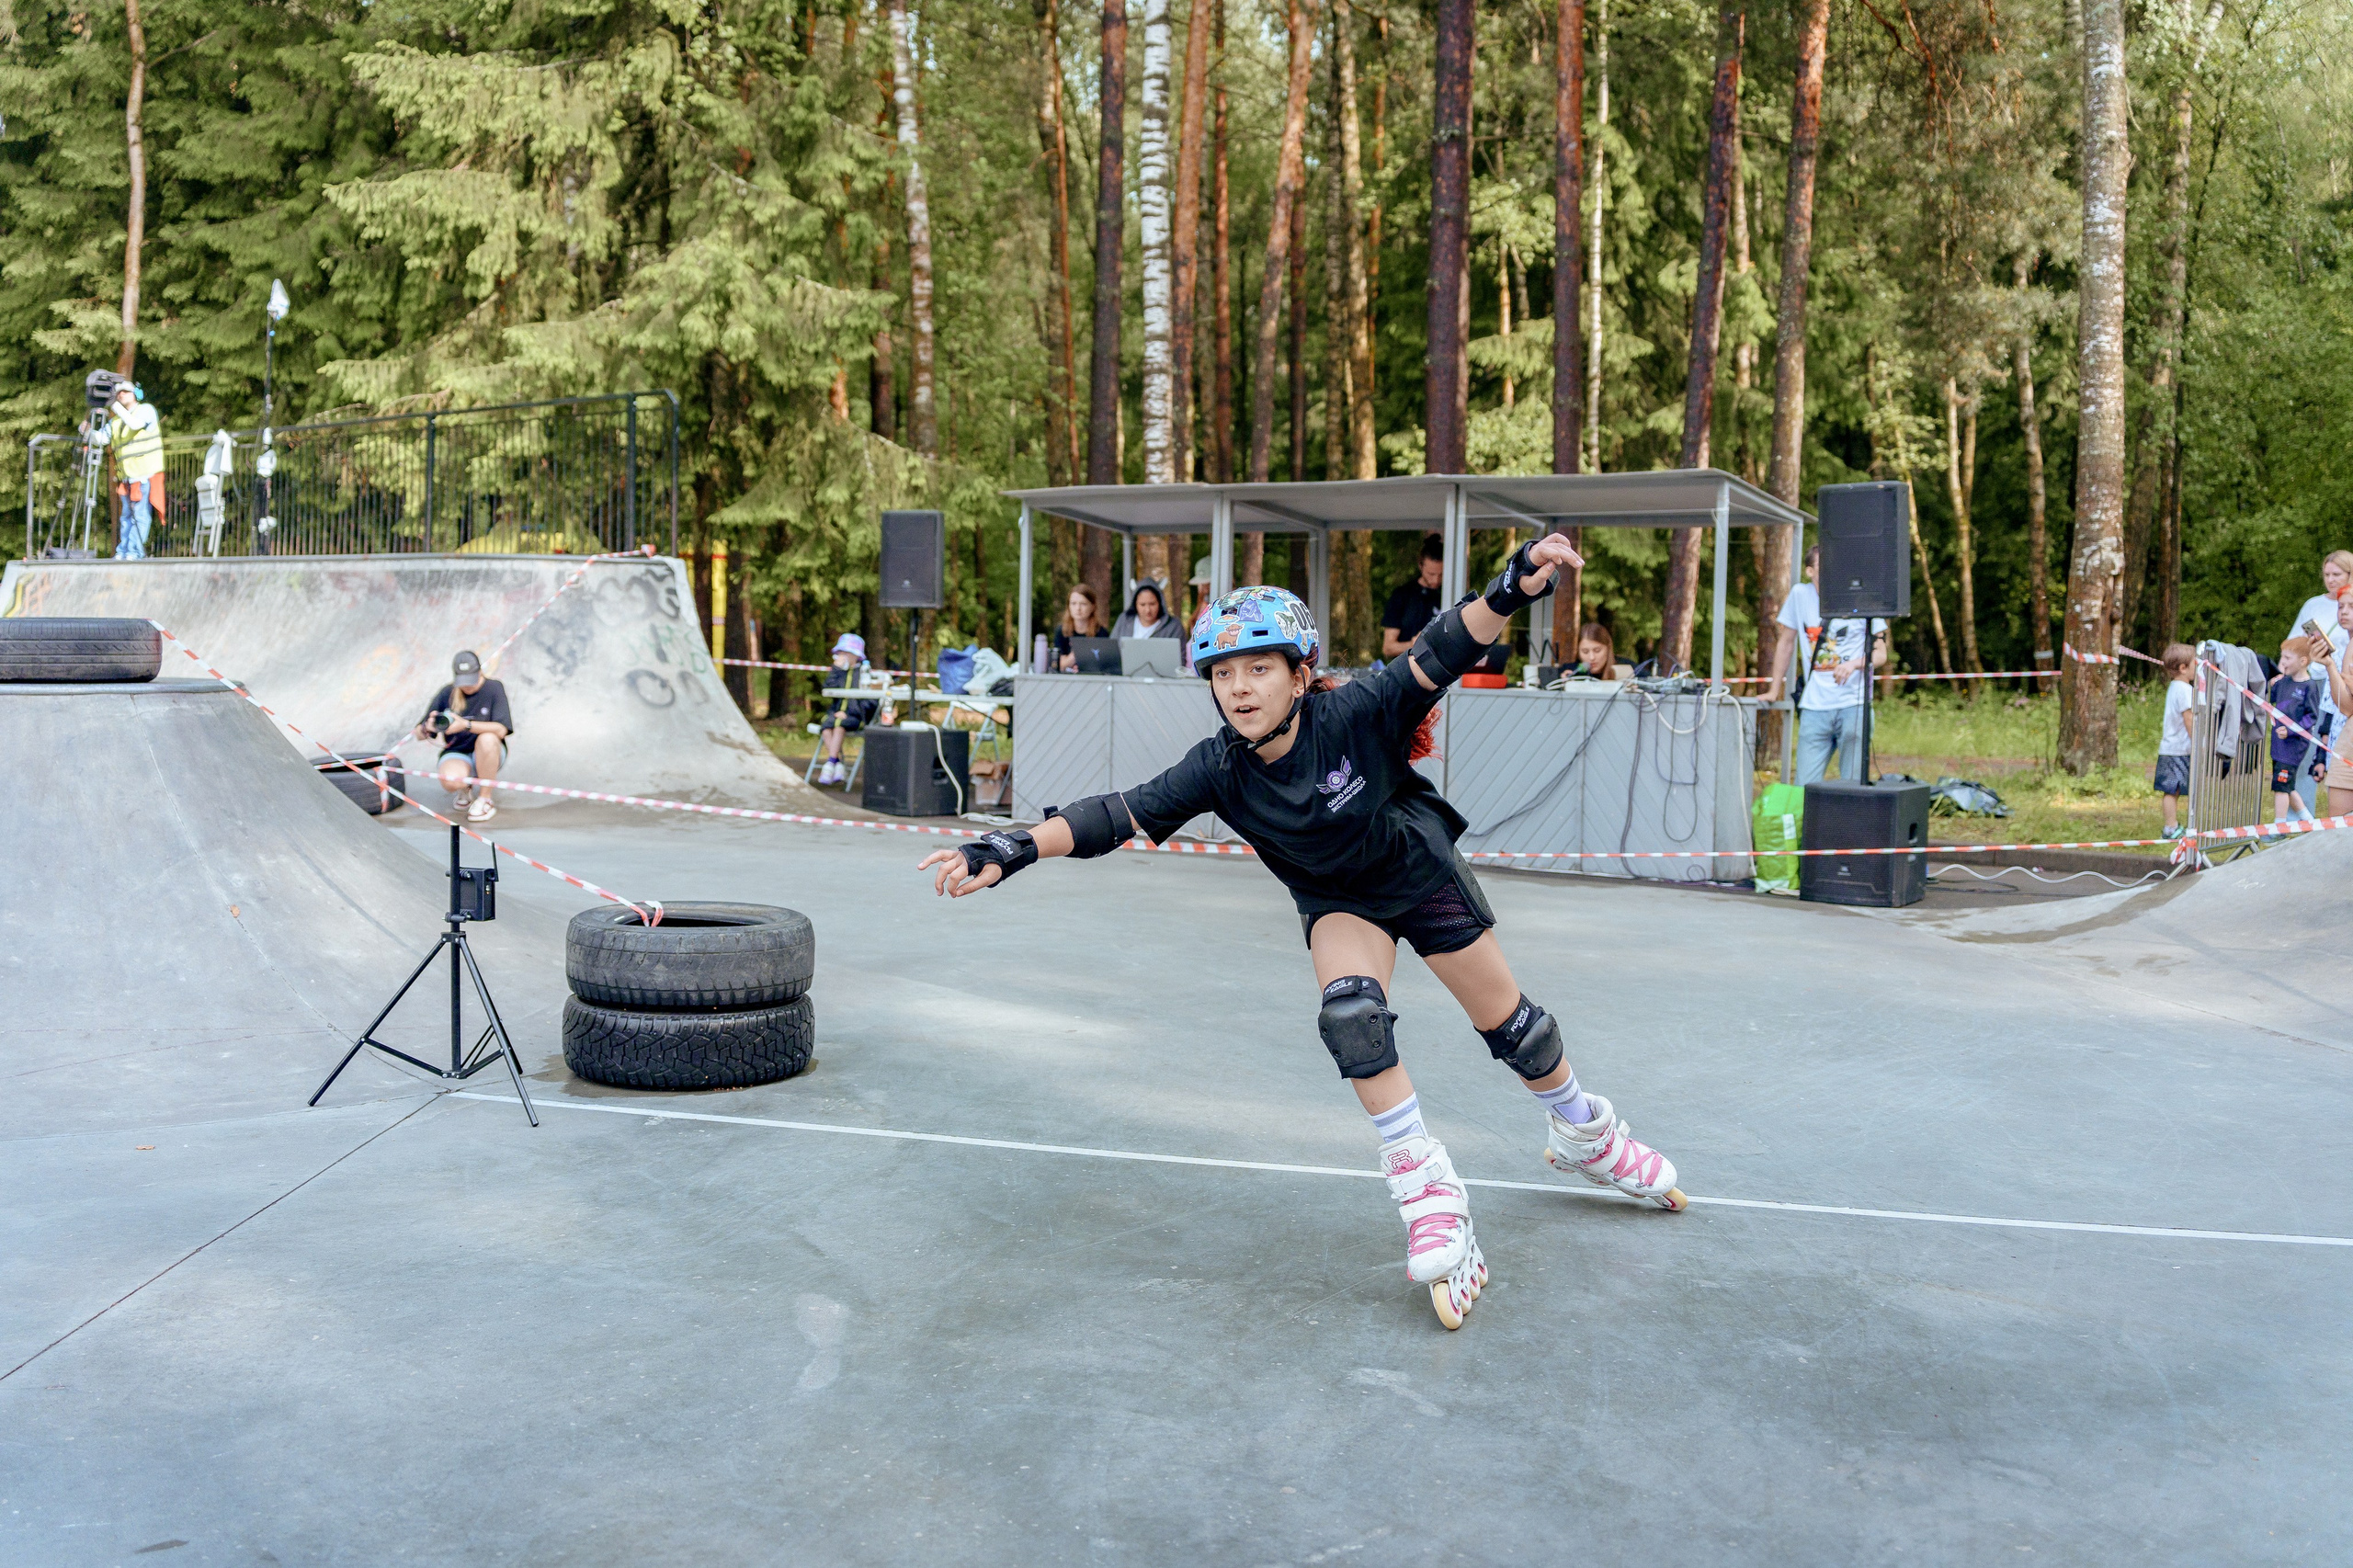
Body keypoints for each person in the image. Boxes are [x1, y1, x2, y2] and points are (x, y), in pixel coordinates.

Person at [915, 539, 1687, 1332]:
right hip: (1338, 900)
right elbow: (1115, 814)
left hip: (1418, 878)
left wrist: (1512, 587)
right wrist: (1008, 848)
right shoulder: (1219, 767)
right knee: (1352, 1017)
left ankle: (1584, 1131)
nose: (1239, 688)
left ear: (1299, 673)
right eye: (1222, 672)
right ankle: (1429, 1192)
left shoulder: (1353, 713)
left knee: (1521, 1032)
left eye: (1257, 668)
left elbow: (1442, 649)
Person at [1764, 545, 1890, 784]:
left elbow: (1881, 654)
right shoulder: (1800, 595)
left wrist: (1854, 664)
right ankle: (1809, 822)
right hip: (1814, 706)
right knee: (1804, 785)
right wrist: (1773, 688)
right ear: (1810, 571)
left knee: (1853, 783)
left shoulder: (1861, 597)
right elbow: (1785, 643)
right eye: (1824, 566)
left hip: (1854, 704)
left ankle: (1850, 821)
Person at [414, 650, 513, 823]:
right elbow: (418, 734)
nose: (468, 686)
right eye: (463, 682)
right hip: (458, 750)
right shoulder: (447, 692)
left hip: (489, 752)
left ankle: (485, 798)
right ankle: (464, 788)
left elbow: (501, 730)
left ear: (479, 671)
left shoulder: (494, 688)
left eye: (471, 680)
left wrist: (466, 725)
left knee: (488, 738)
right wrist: (427, 727)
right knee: (450, 781)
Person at [106, 382, 165, 561]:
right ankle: (123, 551)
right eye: (118, 393)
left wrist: (113, 405)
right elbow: (101, 438)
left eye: (125, 391)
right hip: (128, 477)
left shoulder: (146, 410)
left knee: (140, 516)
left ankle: (134, 552)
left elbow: (134, 424)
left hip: (146, 474)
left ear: (135, 394)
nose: (121, 395)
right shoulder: (115, 421)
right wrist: (85, 429)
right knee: (126, 517)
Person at [813, 633, 879, 787]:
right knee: (827, 726)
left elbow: (869, 702)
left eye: (845, 653)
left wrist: (849, 712)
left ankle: (831, 763)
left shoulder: (863, 673)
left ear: (856, 656)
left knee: (839, 725)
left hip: (855, 717)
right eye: (840, 653)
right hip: (835, 714)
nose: (841, 656)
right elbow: (828, 687)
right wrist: (836, 670)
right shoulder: (839, 673)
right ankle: (837, 763)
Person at [2269, 636, 2323, 824]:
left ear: (2303, 662)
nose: (2282, 662)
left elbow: (2311, 717)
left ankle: (2279, 825)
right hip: (2278, 744)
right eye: (2282, 657)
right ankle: (2308, 820)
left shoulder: (2310, 686)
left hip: (2293, 745)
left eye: (2287, 658)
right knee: (2286, 783)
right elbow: (2271, 701)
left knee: (2281, 785)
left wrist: (2290, 731)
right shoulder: (2283, 682)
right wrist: (2272, 686)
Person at [1379, 535, 1446, 659]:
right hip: (1408, 668)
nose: (1436, 580)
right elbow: (1388, 647)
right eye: (1431, 574)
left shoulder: (1448, 595)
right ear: (1421, 566)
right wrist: (1414, 644)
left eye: (1441, 574)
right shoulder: (1402, 595)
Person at [2154, 642, 2197, 839]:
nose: (2198, 666)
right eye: (2195, 663)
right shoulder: (2184, 690)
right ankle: (2171, 827)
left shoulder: (2177, 687)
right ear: (2183, 668)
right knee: (2172, 790)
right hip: (2177, 750)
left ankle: (2173, 826)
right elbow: (2188, 718)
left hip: (2174, 750)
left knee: (2175, 789)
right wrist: (2196, 742)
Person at [1052, 585, 1108, 671]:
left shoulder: (1101, 632)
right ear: (1068, 606)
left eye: (1083, 604)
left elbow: (1106, 665)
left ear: (1092, 607)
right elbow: (1057, 665)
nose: (1078, 608)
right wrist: (1075, 655)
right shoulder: (1061, 631)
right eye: (1073, 603)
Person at [1110, 581, 1184, 641]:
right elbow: (1112, 649)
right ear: (1135, 604)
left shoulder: (1174, 626)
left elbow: (1180, 656)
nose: (1147, 610)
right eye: (1142, 605)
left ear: (1160, 603)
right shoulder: (1124, 620)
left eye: (1152, 604)